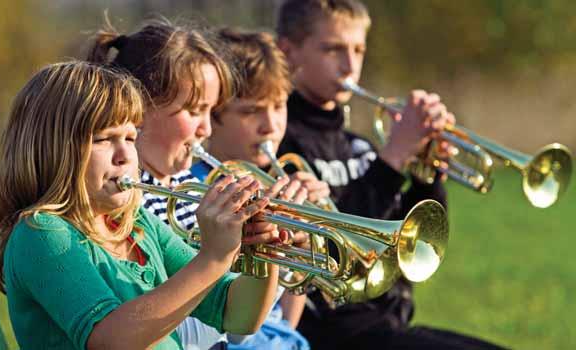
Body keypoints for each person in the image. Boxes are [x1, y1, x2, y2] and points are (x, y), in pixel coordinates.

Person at [0, 61, 280, 350]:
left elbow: (238, 316)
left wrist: (263, 251)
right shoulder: (41, 232)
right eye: (103, 139)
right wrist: (213, 257)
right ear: (53, 150)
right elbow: (112, 341)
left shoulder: (136, 223)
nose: (125, 154)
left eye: (130, 136)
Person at [275, 0, 506, 349]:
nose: (350, 65)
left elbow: (412, 241)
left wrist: (426, 173)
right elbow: (338, 246)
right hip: (333, 331)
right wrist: (395, 156)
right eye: (332, 49)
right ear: (288, 52)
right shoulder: (281, 144)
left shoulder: (359, 145)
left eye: (358, 49)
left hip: (388, 321)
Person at [86, 18, 304, 350]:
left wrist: (269, 251)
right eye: (194, 110)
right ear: (140, 108)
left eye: (211, 111)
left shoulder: (188, 186)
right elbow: (183, 338)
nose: (206, 128)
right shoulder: (127, 202)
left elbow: (240, 330)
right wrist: (221, 255)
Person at [193, 28, 332, 350]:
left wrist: (301, 242)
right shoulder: (199, 190)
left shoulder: (278, 179)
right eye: (251, 111)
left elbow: (284, 322)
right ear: (212, 115)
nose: (271, 126)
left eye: (279, 106)